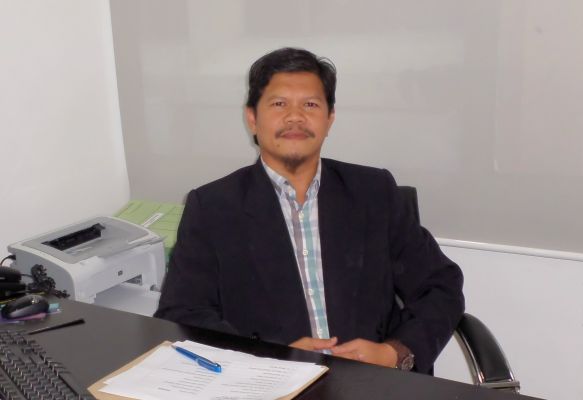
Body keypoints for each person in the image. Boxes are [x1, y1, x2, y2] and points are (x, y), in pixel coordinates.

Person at [155, 47, 464, 373]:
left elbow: (440, 286)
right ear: (252, 119)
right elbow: (181, 314)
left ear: (330, 119)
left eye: (311, 105)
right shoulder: (213, 207)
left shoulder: (374, 193)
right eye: (279, 104)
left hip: (369, 381)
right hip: (270, 381)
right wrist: (270, 355)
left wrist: (394, 353)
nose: (295, 117)